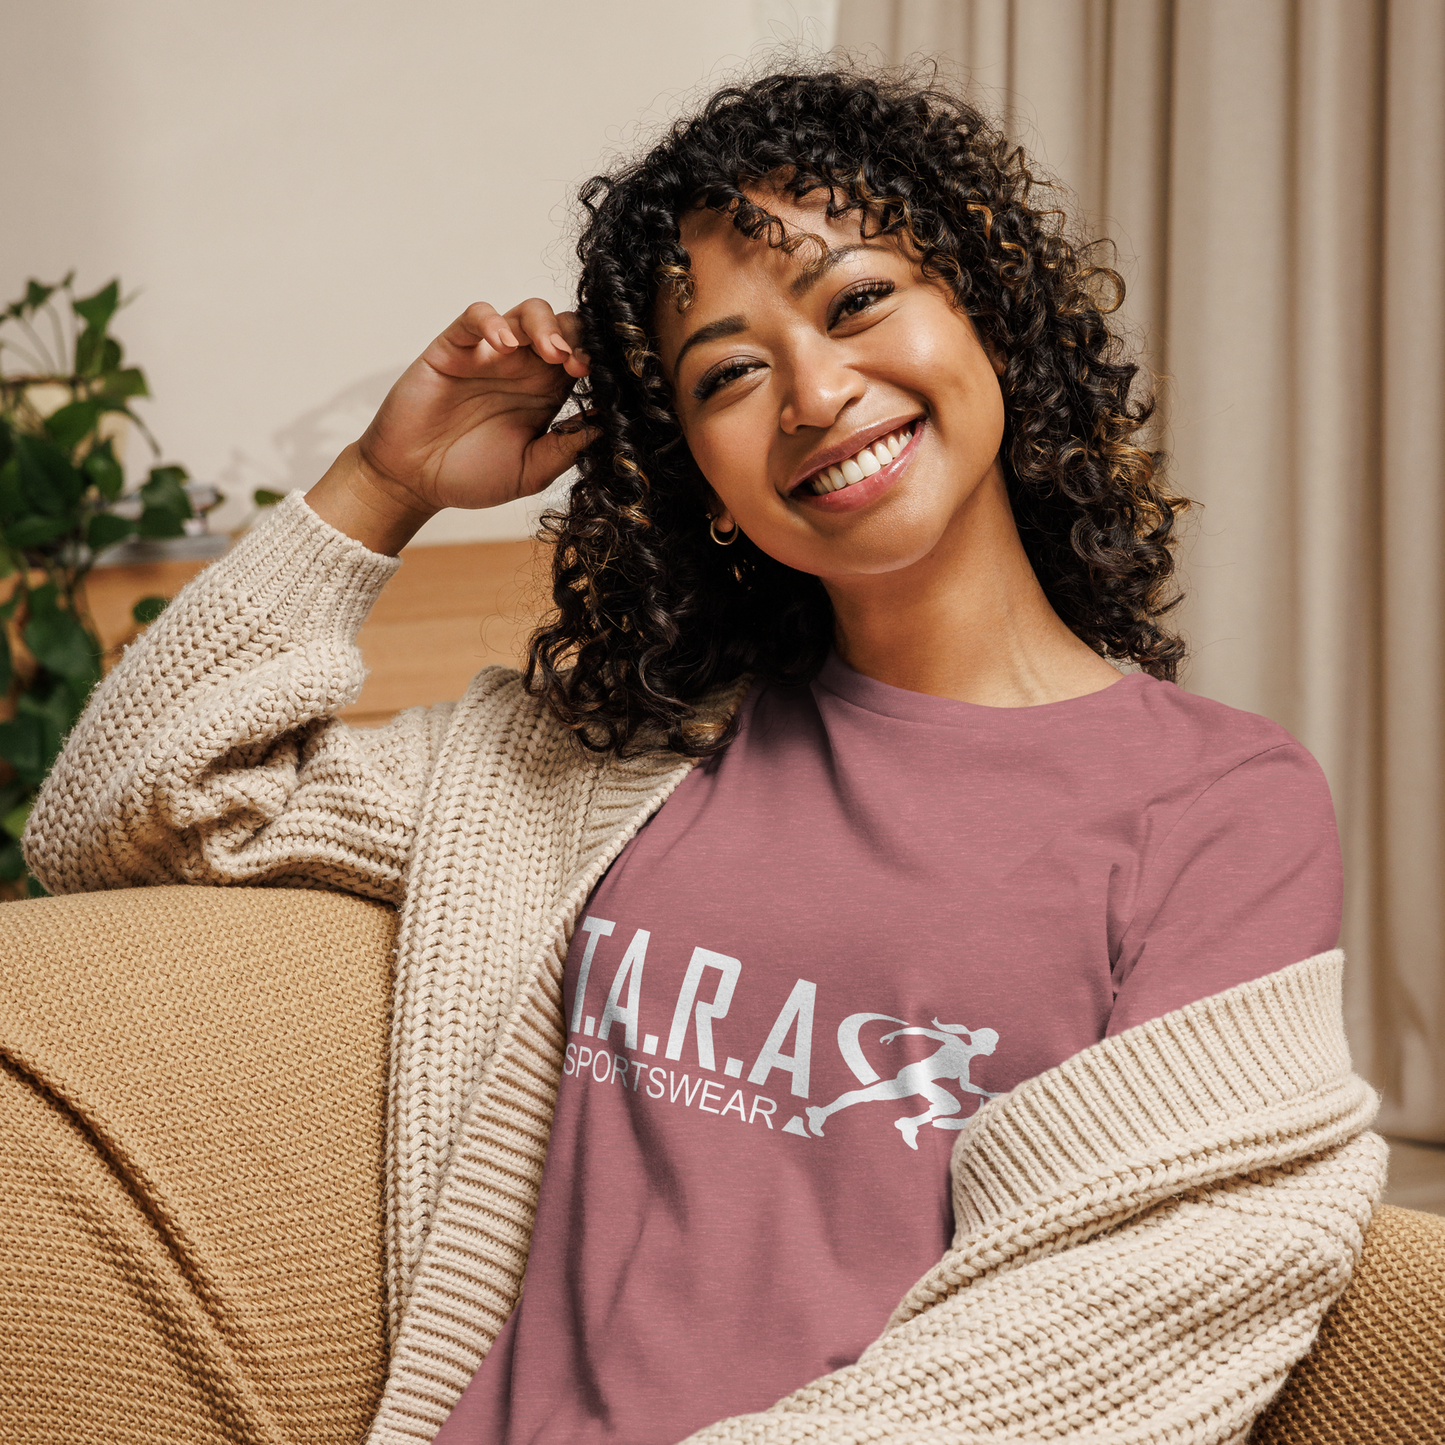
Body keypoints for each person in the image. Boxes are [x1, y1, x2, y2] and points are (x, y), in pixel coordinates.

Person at [25, 66, 1383, 1445]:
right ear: (703, 479)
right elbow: (126, 817)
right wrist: (380, 485)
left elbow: (1138, 1302)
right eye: (729, 373)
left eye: (857, 301)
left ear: (986, 311)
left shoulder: (1216, 805)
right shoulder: (613, 761)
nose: (815, 392)